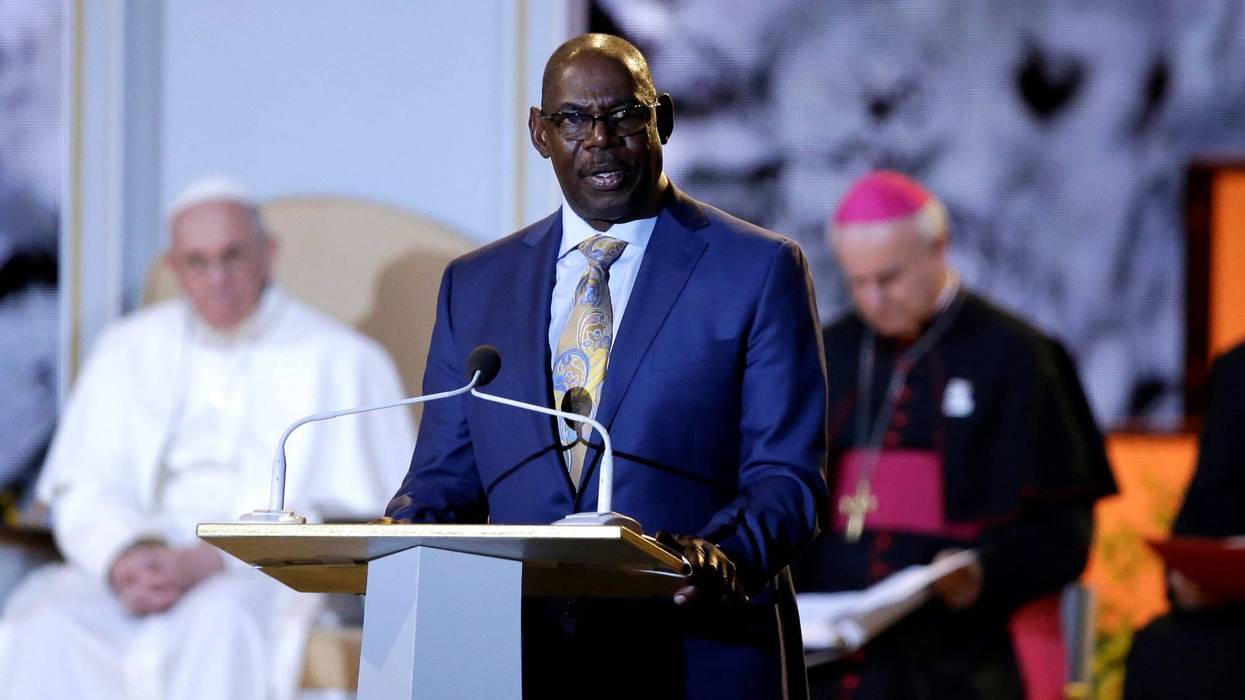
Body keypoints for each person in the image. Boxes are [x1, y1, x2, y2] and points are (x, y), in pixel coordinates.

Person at [383, 34, 828, 700]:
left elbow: (786, 476)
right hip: (518, 655)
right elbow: (445, 477)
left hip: (692, 644)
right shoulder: (476, 284)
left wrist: (724, 556)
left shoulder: (756, 269)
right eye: (573, 119)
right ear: (539, 132)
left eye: (625, 115)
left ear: (664, 121)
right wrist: (395, 536)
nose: (601, 138)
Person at [0, 176, 415, 700]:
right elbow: (83, 487)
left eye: (233, 257)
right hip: (132, 567)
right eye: (197, 262)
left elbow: (358, 518)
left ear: (269, 255)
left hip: (257, 578)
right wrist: (123, 556)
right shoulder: (125, 349)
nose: (217, 279)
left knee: (221, 626)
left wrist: (215, 558)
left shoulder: (343, 360)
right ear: (174, 267)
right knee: (48, 624)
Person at [792, 170, 1115, 699]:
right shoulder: (829, 350)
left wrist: (982, 572)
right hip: (829, 659)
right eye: (857, 281)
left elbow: (1066, 530)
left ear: (938, 248)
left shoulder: (1021, 357)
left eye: (889, 278)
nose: (872, 300)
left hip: (958, 661)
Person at [1123, 342, 1245, 699]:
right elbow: (1207, 499)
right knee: (1161, 647)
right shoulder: (1235, 371)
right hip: (1225, 615)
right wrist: (1186, 578)